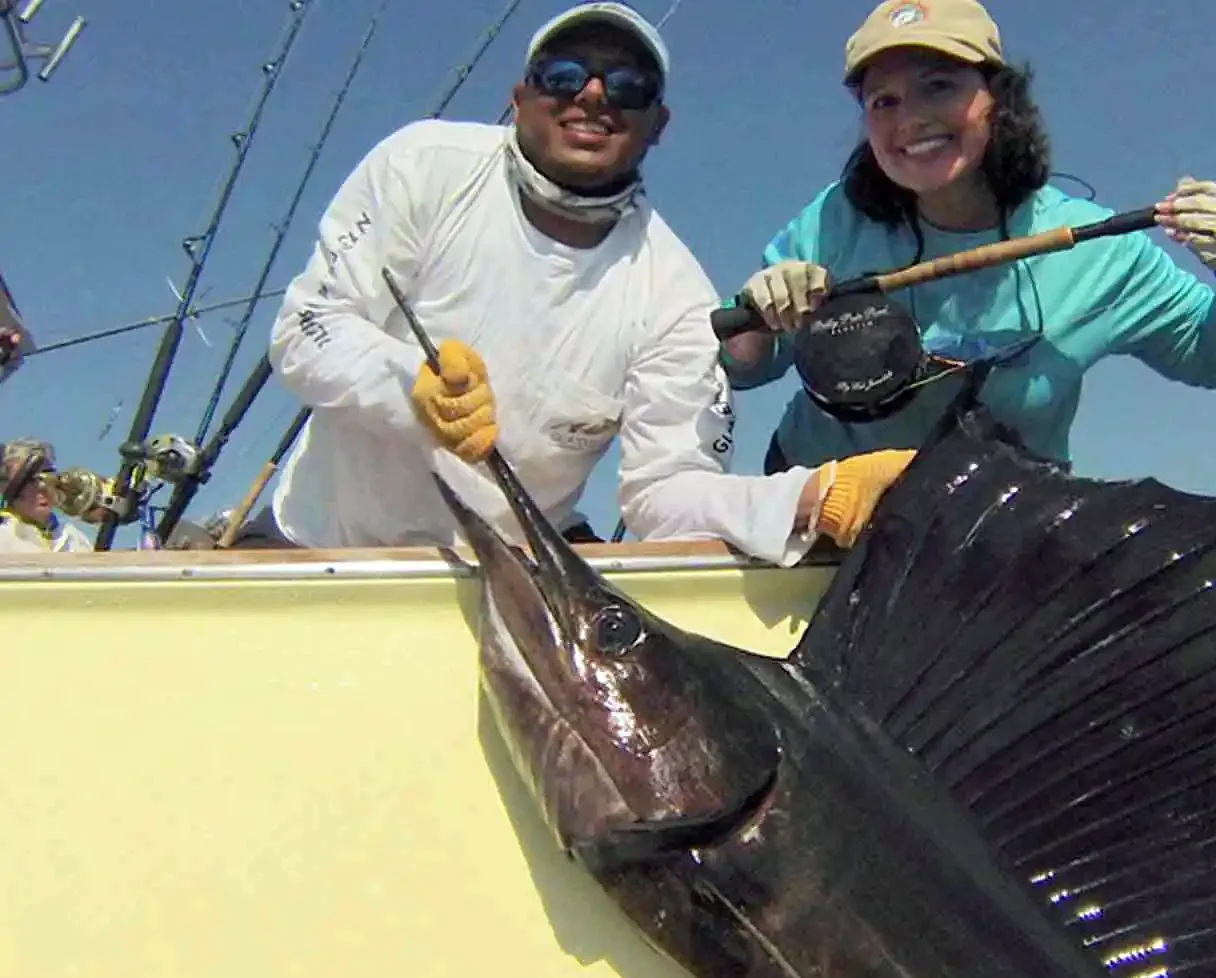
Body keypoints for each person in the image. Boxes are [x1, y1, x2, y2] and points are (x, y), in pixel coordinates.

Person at [241, 2, 911, 564]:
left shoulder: (674, 293)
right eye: (564, 75)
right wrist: (407, 383)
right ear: (519, 97)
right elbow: (306, 331)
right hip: (317, 549)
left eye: (627, 86)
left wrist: (814, 494)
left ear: (659, 124)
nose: (592, 95)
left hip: (512, 583)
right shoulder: (420, 166)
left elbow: (665, 492)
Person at [719, 0, 1216, 473]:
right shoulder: (832, 221)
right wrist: (759, 314)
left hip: (1000, 532)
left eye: (939, 86)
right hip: (822, 511)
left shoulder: (1101, 250)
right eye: (883, 101)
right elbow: (741, 367)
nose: (910, 119)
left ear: (999, 99)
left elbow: (1215, 359)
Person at [0, 440, 93, 554]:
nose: (42, 487)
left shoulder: (75, 539)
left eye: (47, 476)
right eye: (29, 479)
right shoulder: (4, 536)